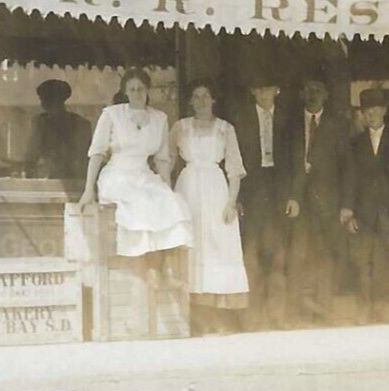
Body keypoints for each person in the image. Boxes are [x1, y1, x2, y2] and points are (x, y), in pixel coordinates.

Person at [78, 68, 192, 266]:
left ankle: (161, 267)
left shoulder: (159, 118)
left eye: (141, 89)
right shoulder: (112, 115)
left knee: (172, 201)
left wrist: (166, 187)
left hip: (144, 175)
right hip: (117, 175)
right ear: (125, 92)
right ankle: (142, 265)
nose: (137, 93)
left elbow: (162, 159)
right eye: (132, 89)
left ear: (148, 91)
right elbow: (97, 153)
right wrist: (89, 189)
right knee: (140, 201)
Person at [171, 81, 250, 333]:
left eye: (206, 96)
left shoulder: (225, 129)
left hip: (217, 190)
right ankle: (193, 318)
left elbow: (235, 170)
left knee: (218, 248)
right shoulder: (180, 127)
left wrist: (230, 203)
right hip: (188, 190)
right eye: (196, 96)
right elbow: (166, 161)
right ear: (190, 101)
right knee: (193, 246)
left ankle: (218, 317)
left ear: (214, 99)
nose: (201, 101)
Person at [341, 88, 389, 324]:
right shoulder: (354, 143)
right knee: (361, 261)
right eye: (367, 110)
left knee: (384, 260)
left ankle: (382, 307)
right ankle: (363, 308)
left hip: (387, 211)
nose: (371, 114)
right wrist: (348, 210)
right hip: (362, 212)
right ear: (362, 114)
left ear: (384, 111)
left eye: (376, 109)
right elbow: (349, 178)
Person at [286, 75, 351, 325]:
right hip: (298, 203)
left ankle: (324, 310)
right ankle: (295, 313)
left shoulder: (337, 126)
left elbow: (348, 167)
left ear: (326, 95)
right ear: (302, 94)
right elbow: (284, 166)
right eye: (308, 90)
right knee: (297, 255)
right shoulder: (290, 126)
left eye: (318, 90)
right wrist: (291, 196)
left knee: (325, 255)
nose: (313, 95)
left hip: (328, 203)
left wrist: (346, 204)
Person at [232, 75, 294, 329]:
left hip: (279, 192)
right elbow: (234, 160)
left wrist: (293, 195)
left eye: (269, 87)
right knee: (252, 254)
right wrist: (237, 197)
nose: (264, 93)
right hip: (252, 192)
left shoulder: (288, 120)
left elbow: (294, 159)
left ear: (276, 90)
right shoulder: (241, 119)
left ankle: (277, 315)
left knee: (278, 254)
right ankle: (253, 318)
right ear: (253, 91)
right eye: (259, 88)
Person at [23, 79, 92, 180]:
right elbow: (32, 155)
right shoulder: (40, 122)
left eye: (45, 98)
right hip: (48, 177)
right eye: (42, 99)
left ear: (57, 100)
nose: (42, 103)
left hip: (73, 178)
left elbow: (84, 155)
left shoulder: (80, 123)